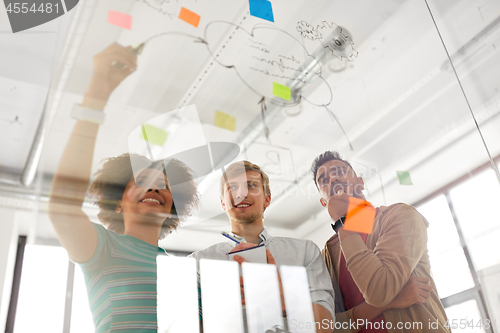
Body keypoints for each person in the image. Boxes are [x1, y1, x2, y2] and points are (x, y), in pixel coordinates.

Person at [48, 43, 199, 332]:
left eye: (163, 185)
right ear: (118, 202)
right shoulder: (105, 248)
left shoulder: (185, 273)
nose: (154, 189)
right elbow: (62, 209)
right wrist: (97, 94)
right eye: (141, 182)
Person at [311, 151, 450, 332]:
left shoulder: (401, 217)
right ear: (324, 202)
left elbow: (380, 290)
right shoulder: (327, 256)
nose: (333, 180)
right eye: (324, 180)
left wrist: (341, 223)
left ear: (360, 183)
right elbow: (329, 326)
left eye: (339, 172)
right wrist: (390, 302)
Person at [189, 160, 335, 333]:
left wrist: (284, 300)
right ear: (223, 203)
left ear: (267, 199)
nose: (241, 193)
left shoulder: (305, 252)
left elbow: (325, 325)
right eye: (232, 187)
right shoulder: (196, 264)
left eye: (251, 186)